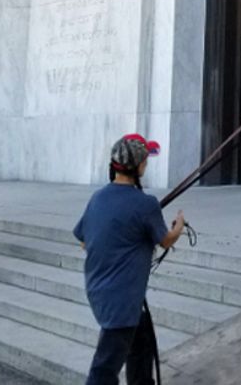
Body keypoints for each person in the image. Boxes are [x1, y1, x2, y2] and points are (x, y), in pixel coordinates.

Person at [74, 133, 185, 385]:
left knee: (141, 340)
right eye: (145, 161)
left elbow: (84, 240)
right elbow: (165, 240)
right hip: (121, 299)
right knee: (104, 368)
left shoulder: (98, 198)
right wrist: (179, 225)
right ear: (139, 167)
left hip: (100, 289)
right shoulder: (145, 203)